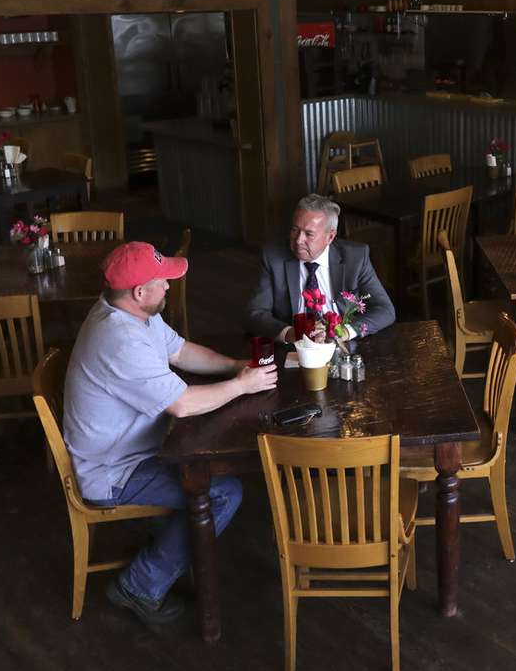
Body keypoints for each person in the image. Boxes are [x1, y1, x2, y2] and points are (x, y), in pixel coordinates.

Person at [63, 241, 277, 629]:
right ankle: (138, 586)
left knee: (204, 469)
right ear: (139, 292)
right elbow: (181, 404)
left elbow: (180, 352)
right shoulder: (119, 340)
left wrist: (235, 367)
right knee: (224, 492)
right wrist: (243, 387)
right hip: (113, 473)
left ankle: (162, 540)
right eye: (163, 282)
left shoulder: (133, 314)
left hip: (131, 448)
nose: (169, 288)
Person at [244, 194, 395, 342]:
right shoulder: (273, 256)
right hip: (296, 346)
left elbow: (385, 310)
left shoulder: (355, 257)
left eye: (309, 234)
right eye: (295, 230)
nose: (298, 240)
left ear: (330, 237)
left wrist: (346, 331)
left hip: (342, 344)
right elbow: (255, 314)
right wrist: (290, 333)